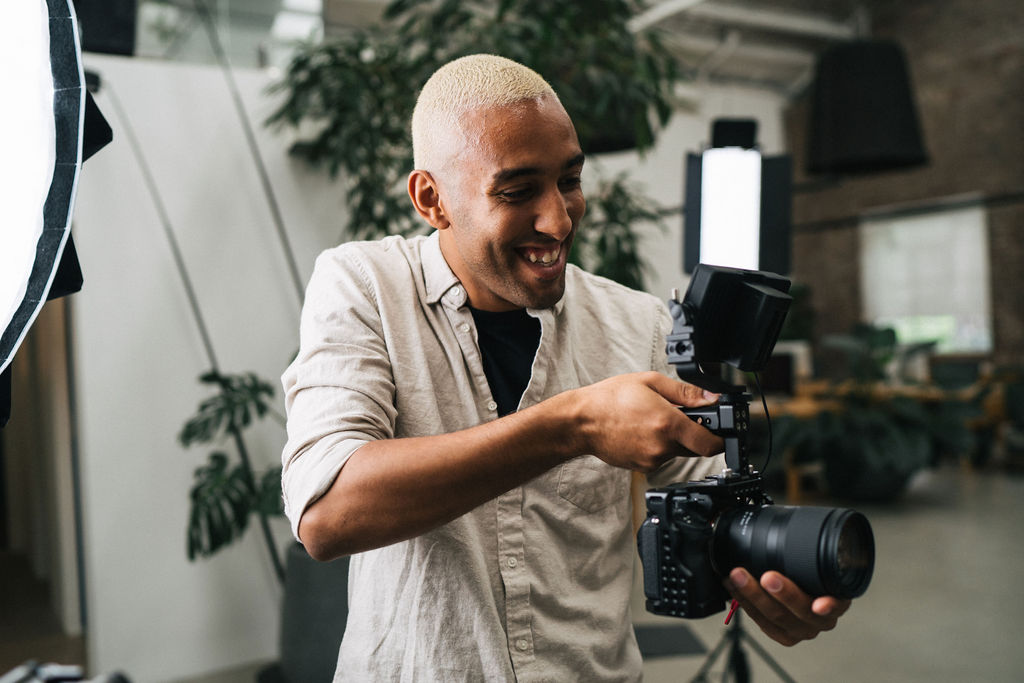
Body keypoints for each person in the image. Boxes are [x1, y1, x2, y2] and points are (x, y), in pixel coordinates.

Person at [281, 54, 850, 682]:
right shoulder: (365, 286)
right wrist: (571, 426)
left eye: (570, 181)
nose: (558, 219)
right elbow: (326, 514)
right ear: (431, 199)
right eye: (518, 191)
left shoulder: (638, 325)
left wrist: (774, 572)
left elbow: (711, 504)